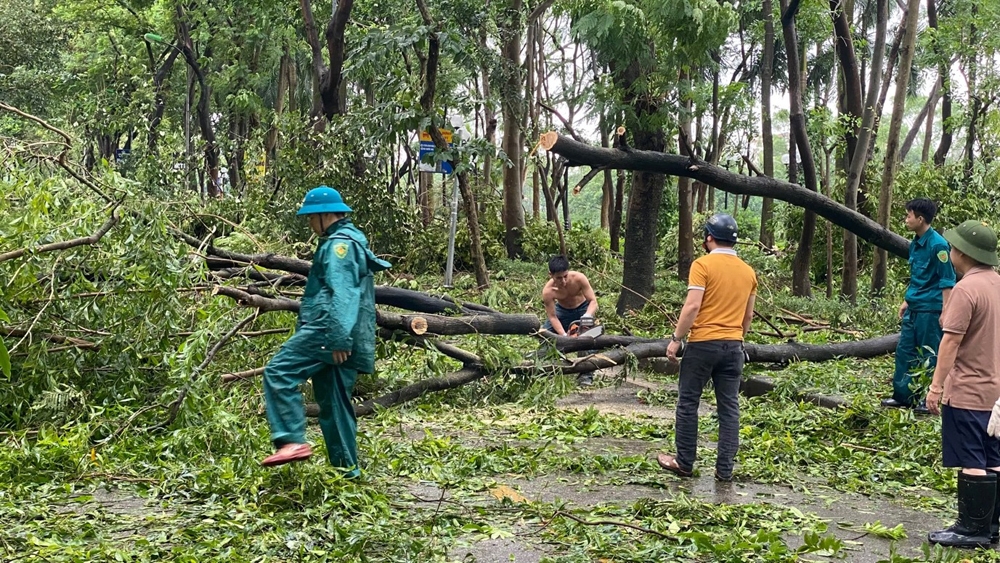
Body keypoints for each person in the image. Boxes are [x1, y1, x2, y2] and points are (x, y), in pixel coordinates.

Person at [260, 186, 391, 477]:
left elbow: (342, 293)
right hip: (344, 332)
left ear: (323, 215)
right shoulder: (349, 241)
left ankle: (291, 441)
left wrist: (337, 338)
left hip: (327, 329)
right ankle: (347, 474)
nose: (309, 224)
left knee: (278, 373)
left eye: (310, 218)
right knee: (334, 402)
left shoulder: (339, 246)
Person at [657, 213, 757, 482]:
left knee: (689, 402)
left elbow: (692, 306)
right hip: (734, 346)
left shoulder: (702, 265)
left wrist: (676, 339)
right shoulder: (749, 272)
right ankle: (724, 470)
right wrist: (737, 338)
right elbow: (748, 316)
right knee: (729, 408)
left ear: (709, 238)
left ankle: (684, 462)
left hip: (702, 345)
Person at [924, 220, 1000, 548]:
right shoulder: (997, 283)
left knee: (972, 459)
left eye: (954, 247)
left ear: (964, 253)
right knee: (993, 457)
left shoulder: (965, 290)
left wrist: (936, 387)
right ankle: (992, 524)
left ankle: (972, 529)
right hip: (995, 393)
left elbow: (950, 343)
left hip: (968, 390)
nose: (951, 251)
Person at [881, 199, 955, 414]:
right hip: (914, 307)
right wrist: (906, 300)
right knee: (904, 350)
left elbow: (947, 280)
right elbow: (917, 276)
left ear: (920, 219)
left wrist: (946, 311)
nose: (906, 219)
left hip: (930, 310)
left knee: (929, 353)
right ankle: (903, 396)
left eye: (908, 216)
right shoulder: (916, 242)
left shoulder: (939, 245)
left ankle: (927, 398)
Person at [541, 255, 599, 385]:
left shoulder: (579, 278)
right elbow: (552, 316)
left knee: (588, 339)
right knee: (544, 336)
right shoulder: (548, 291)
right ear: (551, 275)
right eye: (559, 278)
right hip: (562, 312)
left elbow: (593, 302)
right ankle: (546, 370)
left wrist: (587, 316)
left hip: (583, 309)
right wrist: (563, 335)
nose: (563, 281)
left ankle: (586, 374)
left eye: (565, 276)